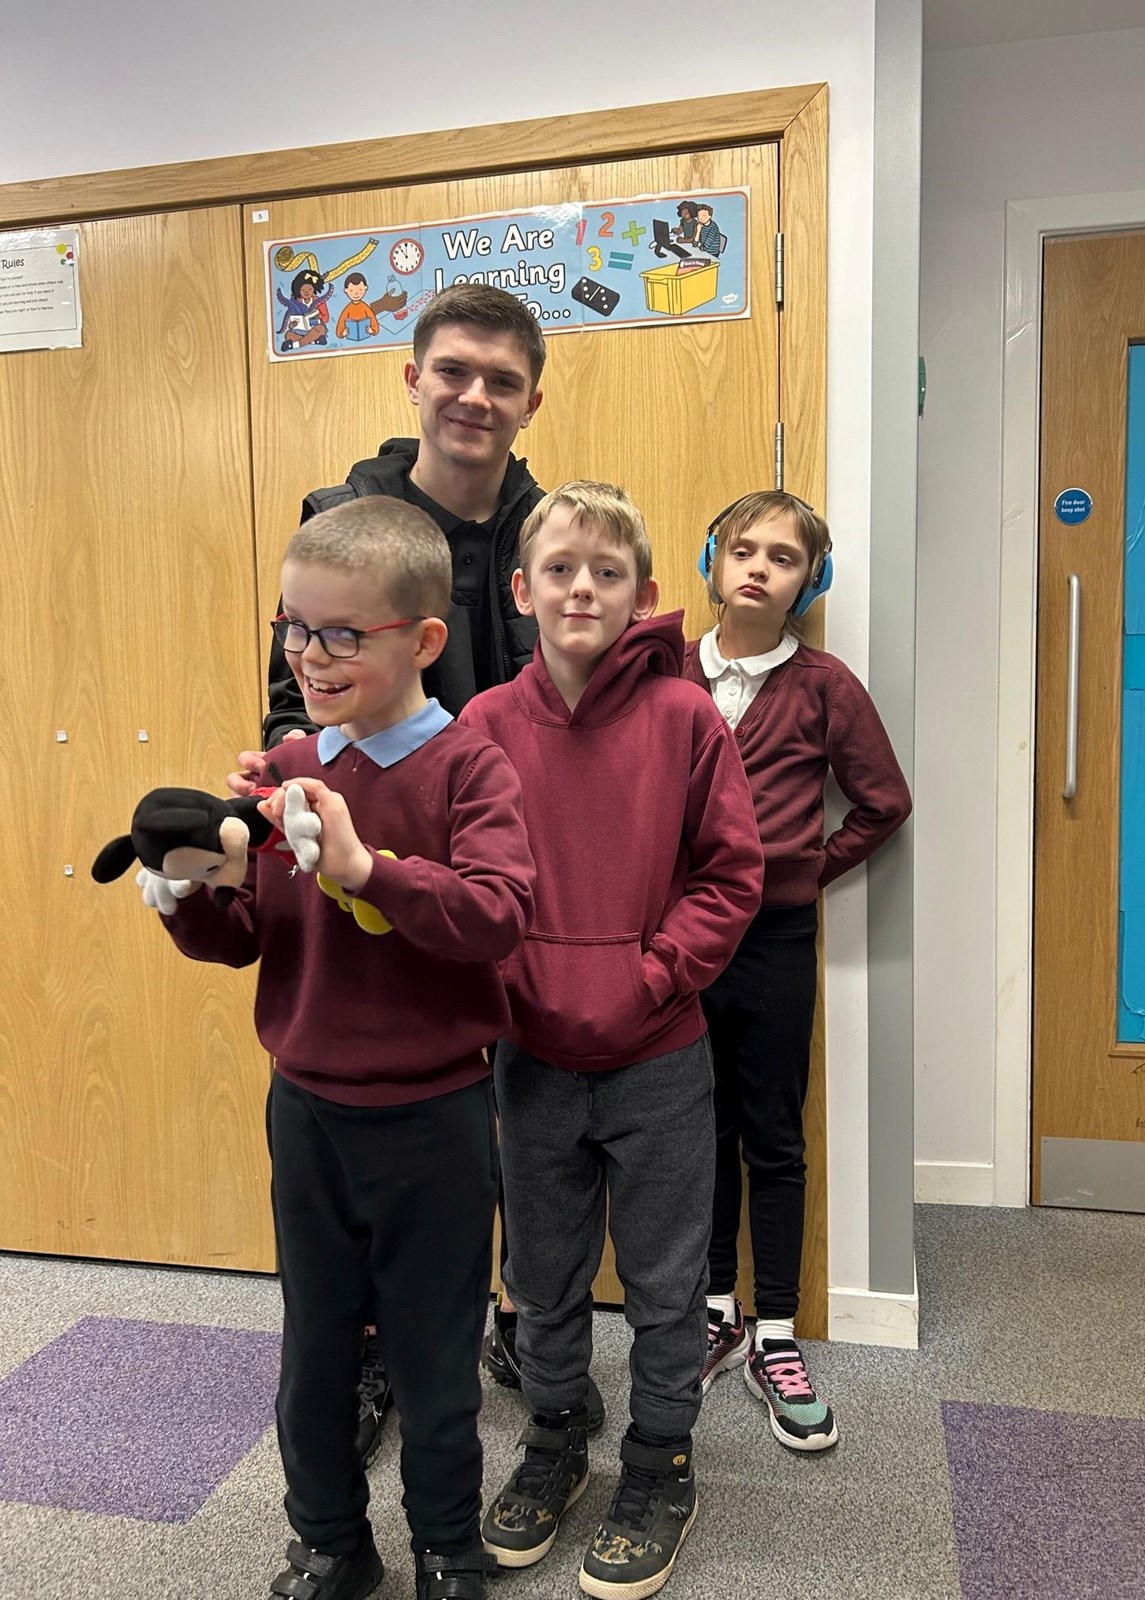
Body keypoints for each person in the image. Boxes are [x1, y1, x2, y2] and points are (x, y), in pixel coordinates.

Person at [229, 283, 603, 1459]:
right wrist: (289, 788)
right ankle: (382, 1347)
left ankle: (497, 1315)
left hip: (507, 867)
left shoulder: (552, 532)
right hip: (370, 864)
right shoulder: (347, 513)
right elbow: (300, 686)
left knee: (500, 1125)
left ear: (531, 400)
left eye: (500, 380)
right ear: (414, 379)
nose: (473, 397)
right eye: (453, 371)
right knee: (380, 1121)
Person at [146, 496, 537, 1600]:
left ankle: (449, 1547)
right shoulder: (281, 766)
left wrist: (369, 869)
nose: (309, 656)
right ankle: (326, 1538)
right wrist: (186, 890)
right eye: (292, 626)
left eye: (339, 634)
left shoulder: (470, 768)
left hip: (437, 1118)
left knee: (432, 1350)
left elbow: (496, 917)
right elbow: (246, 939)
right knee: (316, 1345)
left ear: (421, 639)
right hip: (308, 1108)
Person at [459, 482, 763, 1598]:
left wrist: (652, 976)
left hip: (659, 1055)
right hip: (531, 1058)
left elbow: (733, 875)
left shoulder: (688, 719)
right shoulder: (486, 725)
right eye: (560, 568)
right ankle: (554, 1443)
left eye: (607, 570)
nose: (582, 586)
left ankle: (659, 1461)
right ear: (522, 589)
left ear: (642, 591)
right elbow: (466, 885)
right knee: (539, 1276)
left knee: (668, 1283)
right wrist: (515, 983)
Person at [683, 489, 911, 1452]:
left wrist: (806, 868)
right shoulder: (661, 670)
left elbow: (882, 800)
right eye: (743, 548)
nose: (758, 567)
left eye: (783, 556)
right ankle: (713, 1307)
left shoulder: (825, 685)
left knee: (771, 1130)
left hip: (774, 942)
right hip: (679, 938)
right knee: (698, 1129)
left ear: (809, 581)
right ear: (713, 560)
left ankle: (776, 1328)